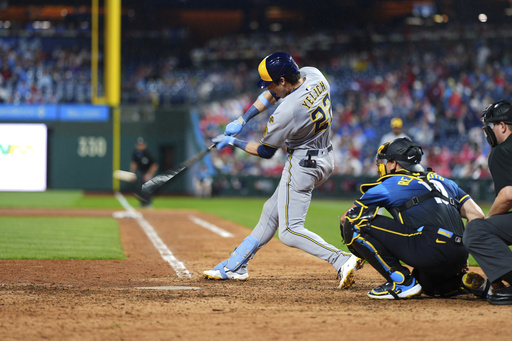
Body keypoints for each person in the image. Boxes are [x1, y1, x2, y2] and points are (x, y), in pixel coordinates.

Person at [203, 52, 363, 288]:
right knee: (270, 212)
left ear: (282, 81)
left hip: (303, 164)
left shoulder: (287, 111)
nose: (269, 89)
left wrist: (233, 142)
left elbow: (266, 152)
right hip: (325, 155)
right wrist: (243, 119)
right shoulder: (314, 75)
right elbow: (273, 93)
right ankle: (236, 266)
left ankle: (341, 259)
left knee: (289, 231)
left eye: (271, 84)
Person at [340, 137, 488, 299]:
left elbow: (346, 218)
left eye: (386, 161)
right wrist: (464, 251)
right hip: (458, 256)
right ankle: (458, 282)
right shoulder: (446, 182)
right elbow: (478, 215)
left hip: (430, 250)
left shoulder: (390, 182)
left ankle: (402, 282)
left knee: (354, 221)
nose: (382, 166)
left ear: (394, 163)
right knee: (427, 284)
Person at [463, 100, 512, 305]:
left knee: (475, 231)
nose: (489, 130)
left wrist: (487, 221)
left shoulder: (502, 151)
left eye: (492, 125)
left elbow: (508, 195)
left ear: (502, 126)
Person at [130, 137, 158, 207]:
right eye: (139, 144)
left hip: (148, 172)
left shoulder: (148, 153)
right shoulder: (136, 153)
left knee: (147, 188)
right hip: (140, 172)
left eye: (141, 144)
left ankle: (148, 204)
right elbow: (134, 164)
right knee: (139, 188)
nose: (140, 146)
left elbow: (155, 165)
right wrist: (132, 173)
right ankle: (142, 203)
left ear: (144, 145)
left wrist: (149, 174)